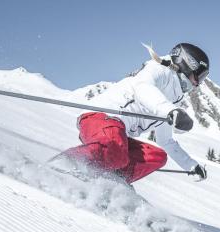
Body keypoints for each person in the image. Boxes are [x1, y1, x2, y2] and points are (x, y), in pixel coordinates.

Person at [59, 43, 209, 183]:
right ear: (187, 64)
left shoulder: (172, 99)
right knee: (115, 148)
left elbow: (166, 141)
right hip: (100, 118)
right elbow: (143, 87)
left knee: (157, 156)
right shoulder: (159, 69)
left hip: (117, 132)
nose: (198, 84)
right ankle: (64, 164)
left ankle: (112, 181)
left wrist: (191, 165)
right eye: (199, 76)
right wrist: (170, 110)